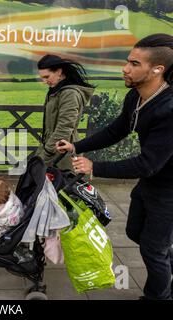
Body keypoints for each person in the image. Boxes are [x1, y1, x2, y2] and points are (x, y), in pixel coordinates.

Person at [56, 34, 173, 300]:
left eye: (134, 63)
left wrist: (94, 167)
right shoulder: (136, 97)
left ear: (157, 70)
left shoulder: (169, 109)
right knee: (135, 232)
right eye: (127, 61)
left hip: (168, 189)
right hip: (153, 182)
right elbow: (116, 130)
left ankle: (159, 295)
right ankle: (166, 266)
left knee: (153, 249)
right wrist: (77, 147)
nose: (125, 68)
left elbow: (148, 164)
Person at [36, 54, 95, 170]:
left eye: (47, 76)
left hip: (63, 154)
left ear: (58, 72)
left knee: (60, 186)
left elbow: (64, 128)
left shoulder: (69, 94)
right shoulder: (57, 91)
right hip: (54, 149)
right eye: (42, 77)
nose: (44, 81)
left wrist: (44, 156)